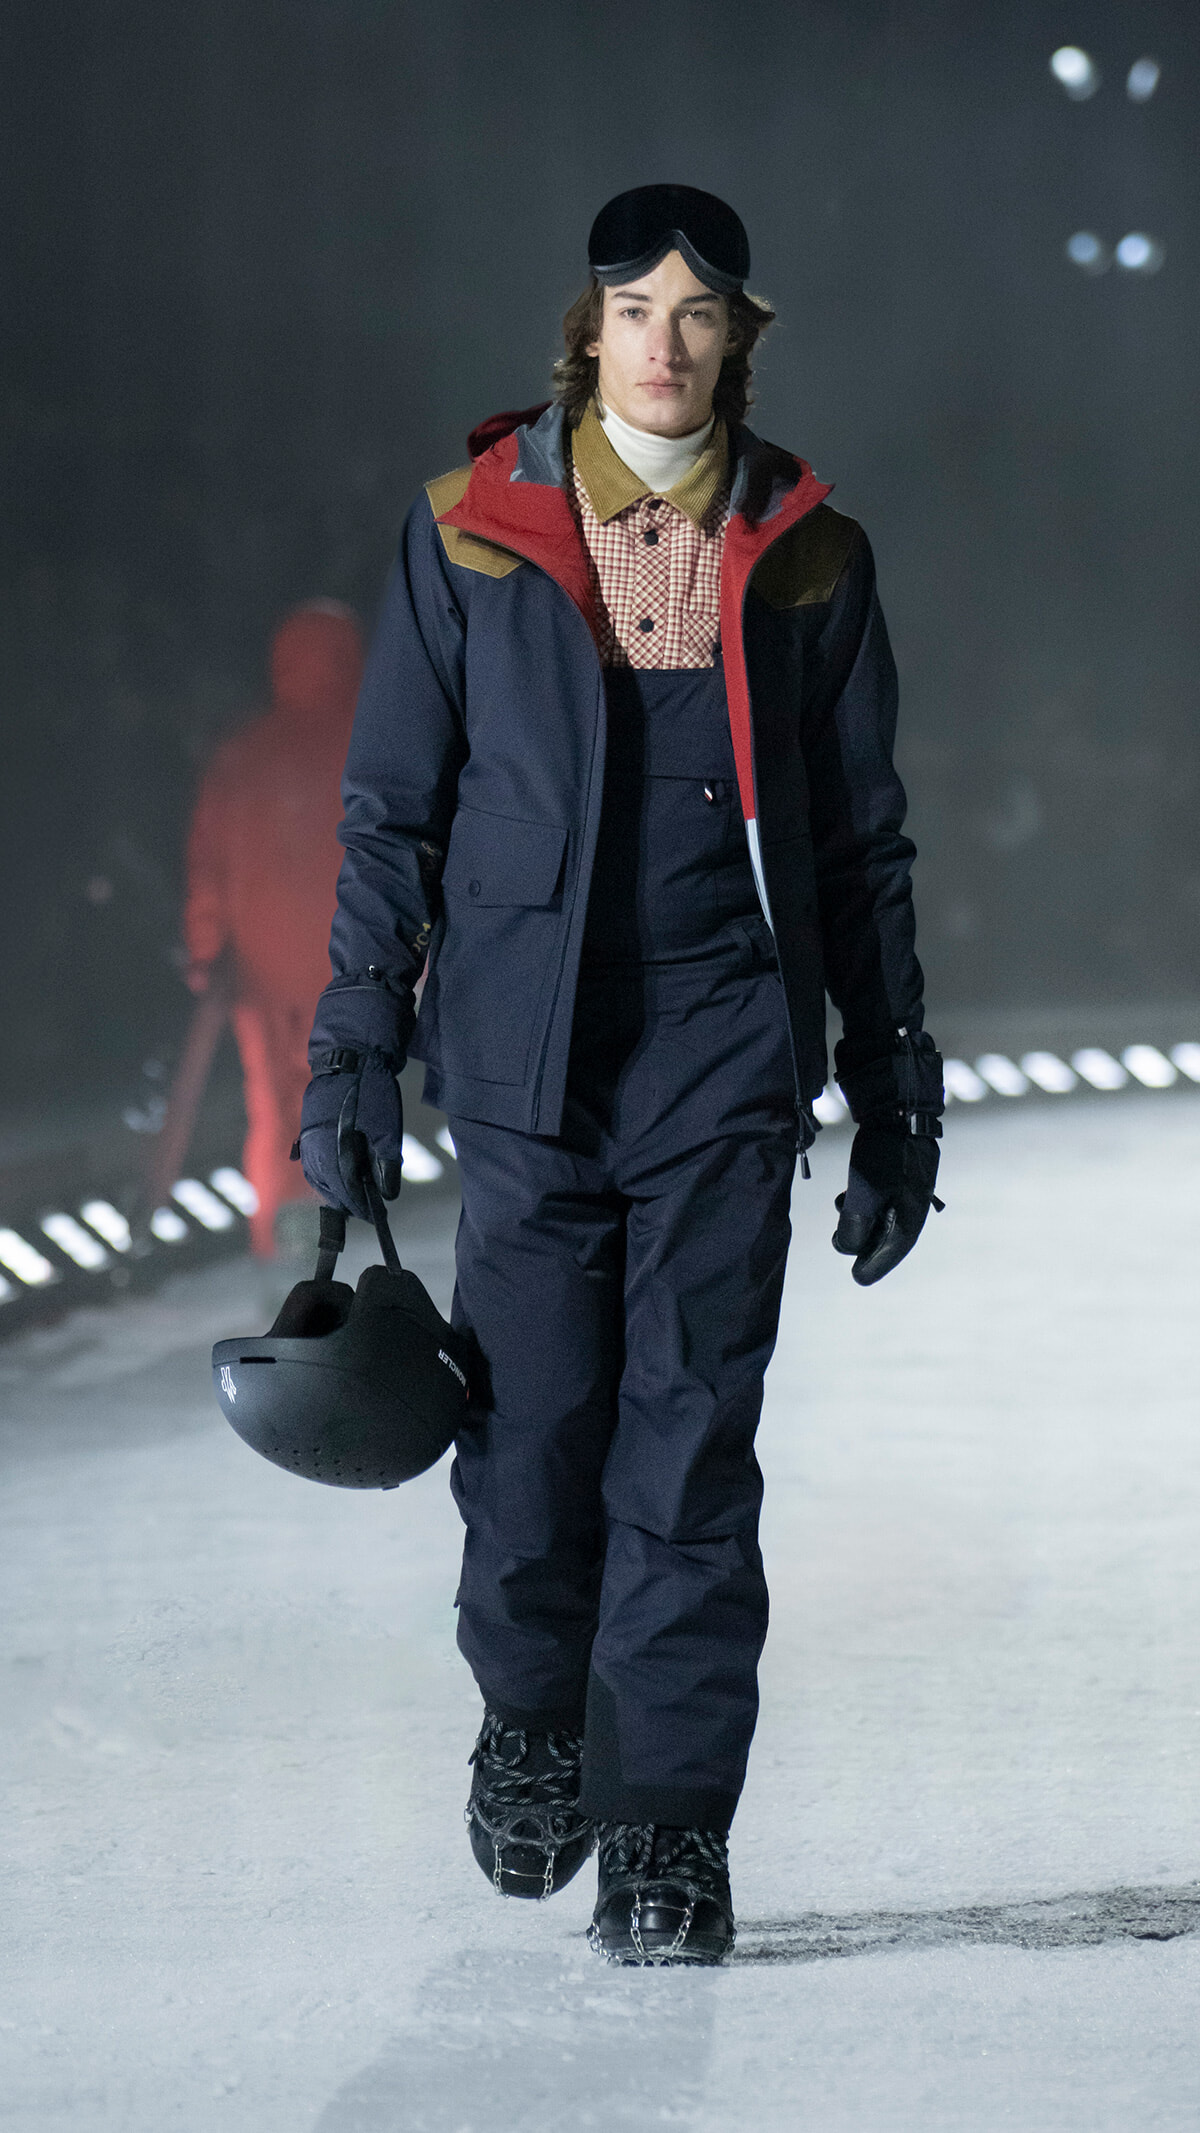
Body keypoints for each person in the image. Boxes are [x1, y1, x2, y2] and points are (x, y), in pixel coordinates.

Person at [297, 186, 944, 1964]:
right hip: (523, 1060)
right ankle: (530, 1717)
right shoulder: (470, 531)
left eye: (701, 312)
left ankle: (667, 1826)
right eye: (636, 309)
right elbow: (390, 819)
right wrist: (354, 1052)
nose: (667, 341)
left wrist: (897, 1091)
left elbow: (862, 845)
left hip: (726, 1053)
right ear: (587, 332)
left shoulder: (811, 554)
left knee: (688, 1453)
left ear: (741, 337)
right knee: (526, 1444)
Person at [184, 601, 364, 1256]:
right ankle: (346, 1221)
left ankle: (280, 1229)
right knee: (348, 1089)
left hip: (263, 971)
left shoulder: (242, 757)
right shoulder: (374, 744)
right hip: (354, 961)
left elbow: (209, 863)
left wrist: (207, 952)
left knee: (273, 1098)